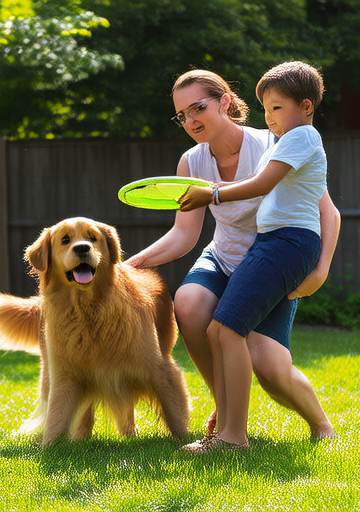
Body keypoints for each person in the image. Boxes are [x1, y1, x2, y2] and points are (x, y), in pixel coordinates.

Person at [125, 66, 339, 452]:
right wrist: (133, 264)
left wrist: (320, 270)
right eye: (181, 116)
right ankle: (228, 419)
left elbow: (327, 211)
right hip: (224, 258)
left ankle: (318, 426)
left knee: (270, 367)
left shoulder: (274, 142)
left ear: (225, 102)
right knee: (191, 306)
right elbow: (184, 235)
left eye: (198, 108)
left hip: (270, 261)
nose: (190, 121)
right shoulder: (191, 162)